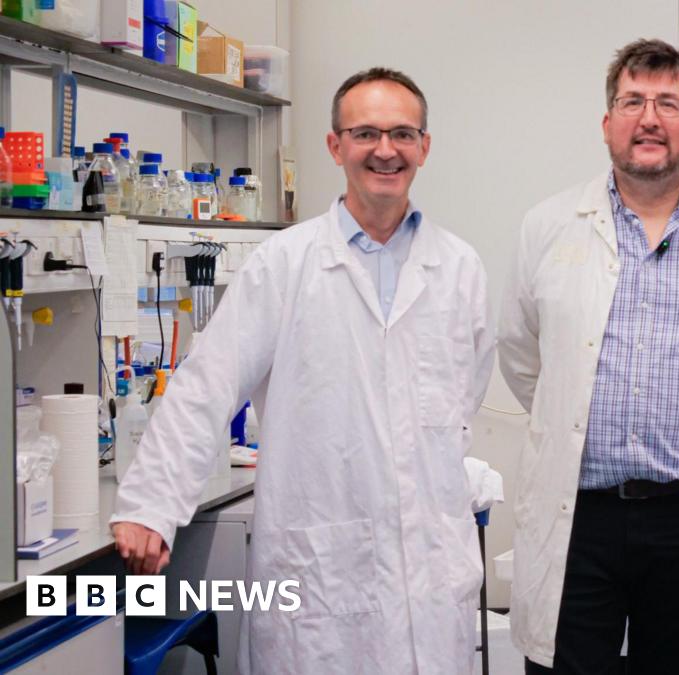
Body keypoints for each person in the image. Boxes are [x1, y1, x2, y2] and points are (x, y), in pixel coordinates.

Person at [110, 67, 494, 674]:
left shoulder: (459, 268)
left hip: (430, 567)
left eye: (402, 133)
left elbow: (462, 398)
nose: (385, 150)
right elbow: (208, 386)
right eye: (365, 132)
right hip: (320, 569)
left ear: (424, 145)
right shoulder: (284, 265)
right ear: (335, 145)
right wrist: (152, 504)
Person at [498, 38, 679, 675]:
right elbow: (523, 357)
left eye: (670, 102)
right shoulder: (548, 226)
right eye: (632, 101)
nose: (650, 118)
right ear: (608, 123)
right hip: (578, 515)